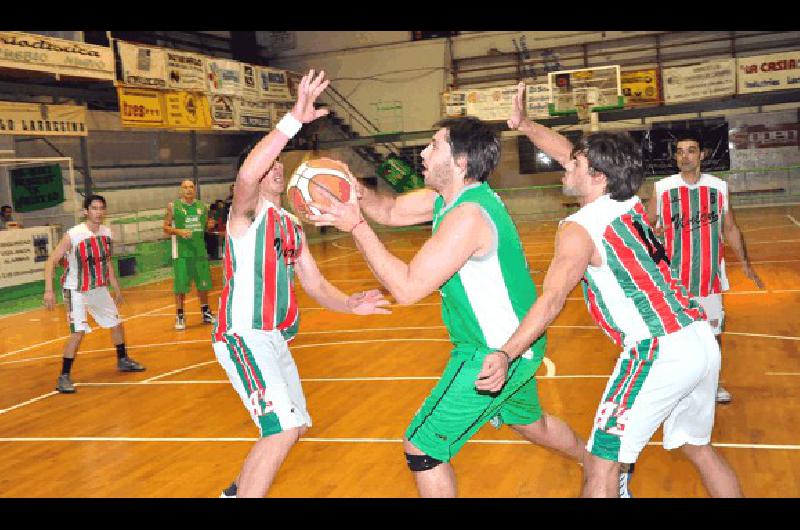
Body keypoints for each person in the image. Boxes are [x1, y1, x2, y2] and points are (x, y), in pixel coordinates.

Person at [308, 116, 592, 498]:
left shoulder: (467, 216)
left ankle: (603, 469)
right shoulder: (451, 199)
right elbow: (390, 211)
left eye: (434, 145)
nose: (423, 152)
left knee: (423, 447)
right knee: (531, 424)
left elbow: (407, 288)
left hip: (493, 354)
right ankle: (603, 467)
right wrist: (351, 189)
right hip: (520, 344)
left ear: (460, 161)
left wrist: (356, 226)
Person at [488, 83, 742, 497]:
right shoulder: (628, 201)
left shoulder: (579, 229)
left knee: (602, 461)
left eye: (574, 166)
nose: (564, 168)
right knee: (699, 448)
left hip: (657, 349)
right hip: (698, 336)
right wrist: (527, 125)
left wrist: (506, 353)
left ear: (598, 176)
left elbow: (551, 300)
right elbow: (567, 152)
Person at [214, 69, 391, 499]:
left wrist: (351, 304)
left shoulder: (291, 224)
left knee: (293, 427)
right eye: (269, 163)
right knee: (282, 427)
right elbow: (246, 177)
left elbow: (313, 282)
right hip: (244, 334)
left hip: (274, 338)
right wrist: (293, 119)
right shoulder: (246, 214)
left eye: (279, 162)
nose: (276, 167)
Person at [647, 133, 764, 404]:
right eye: (679, 151)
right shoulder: (663, 188)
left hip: (709, 279)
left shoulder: (718, 187)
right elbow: (644, 226)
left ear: (702, 155)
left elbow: (731, 228)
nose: (684, 156)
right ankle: (677, 388)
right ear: (675, 157)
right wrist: (655, 234)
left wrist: (745, 263)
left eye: (691, 150)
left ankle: (711, 385)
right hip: (673, 281)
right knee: (675, 338)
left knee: (712, 337)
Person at [43, 194, 145, 394]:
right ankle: (63, 376)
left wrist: (116, 289)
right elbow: (51, 260)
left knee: (116, 324)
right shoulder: (74, 234)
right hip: (77, 289)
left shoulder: (107, 233)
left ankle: (123, 360)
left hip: (98, 288)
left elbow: (107, 262)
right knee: (78, 332)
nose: (99, 212)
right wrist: (49, 290)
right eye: (94, 208)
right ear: (86, 212)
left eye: (101, 208)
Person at [163, 180, 216, 330]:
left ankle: (206, 313)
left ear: (195, 190)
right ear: (181, 190)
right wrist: (178, 231)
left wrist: (209, 226)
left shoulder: (202, 206)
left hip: (199, 252)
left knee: (203, 284)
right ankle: (180, 315)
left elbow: (205, 227)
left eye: (191, 187)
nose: (188, 190)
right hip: (181, 253)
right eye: (185, 187)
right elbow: (165, 227)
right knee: (180, 286)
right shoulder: (173, 207)